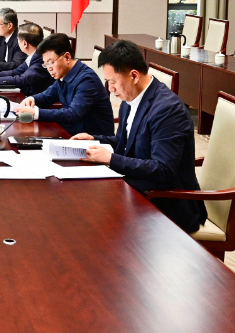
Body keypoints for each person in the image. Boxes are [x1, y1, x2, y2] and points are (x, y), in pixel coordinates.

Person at [72, 40, 207, 233]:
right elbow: (125, 142)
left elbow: (163, 169)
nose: (110, 89)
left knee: (96, 223)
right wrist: (95, 139)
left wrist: (111, 159)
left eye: (112, 82)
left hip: (167, 204)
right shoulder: (131, 98)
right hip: (139, 190)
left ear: (134, 76)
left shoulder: (168, 110)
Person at [14, 33, 114, 137]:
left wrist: (36, 113)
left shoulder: (87, 80)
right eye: (46, 64)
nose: (49, 68)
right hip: (72, 133)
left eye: (51, 62)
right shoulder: (64, 74)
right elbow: (47, 96)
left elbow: (73, 114)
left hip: (92, 140)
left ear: (67, 57)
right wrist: (32, 99)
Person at [0, 23, 53, 96]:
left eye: (18, 40)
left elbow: (22, 79)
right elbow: (16, 72)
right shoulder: (32, 55)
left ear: (25, 44)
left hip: (35, 99)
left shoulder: (41, 59)